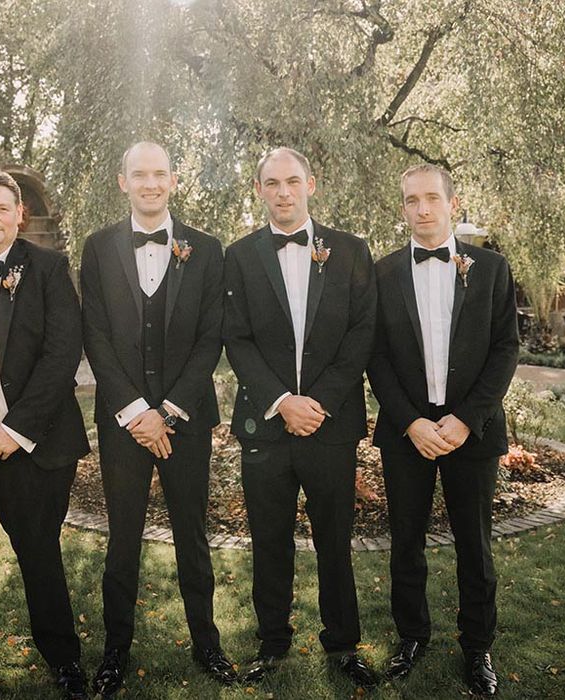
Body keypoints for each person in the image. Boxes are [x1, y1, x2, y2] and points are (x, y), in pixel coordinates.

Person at [80, 142, 235, 696]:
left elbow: (209, 337)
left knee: (193, 536)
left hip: (184, 420)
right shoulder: (97, 247)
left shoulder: (207, 249)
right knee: (122, 540)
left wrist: (167, 411)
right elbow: (94, 334)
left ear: (173, 180)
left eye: (159, 174)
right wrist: (134, 411)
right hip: (123, 422)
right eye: (138, 175)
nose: (150, 183)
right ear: (122, 182)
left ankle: (207, 644)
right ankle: (114, 652)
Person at [223, 147, 377, 688]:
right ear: (260, 190)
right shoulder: (238, 257)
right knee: (269, 539)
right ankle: (272, 642)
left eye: (292, 181)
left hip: (331, 426)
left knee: (336, 540)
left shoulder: (352, 251)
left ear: (311, 184)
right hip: (265, 424)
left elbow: (362, 334)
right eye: (272, 183)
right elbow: (235, 339)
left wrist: (320, 403)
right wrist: (281, 401)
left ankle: (342, 643)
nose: (283, 192)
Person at [367, 164, 519, 697]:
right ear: (403, 207)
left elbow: (505, 349)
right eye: (412, 201)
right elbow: (376, 357)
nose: (423, 210)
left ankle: (478, 648)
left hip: (470, 432)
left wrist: (466, 418)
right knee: (404, 541)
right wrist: (410, 421)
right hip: (406, 431)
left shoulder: (492, 268)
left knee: (474, 545)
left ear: (453, 203)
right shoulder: (382, 274)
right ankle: (412, 637)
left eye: (432, 199)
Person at [0, 170, 90, 699]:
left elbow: (62, 355)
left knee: (40, 554)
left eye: (2, 208)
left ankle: (64, 660)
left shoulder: (48, 268)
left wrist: (12, 431)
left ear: (18, 215)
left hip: (33, 445)